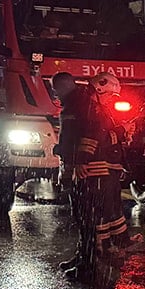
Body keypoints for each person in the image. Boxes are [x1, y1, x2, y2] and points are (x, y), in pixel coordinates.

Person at [65, 72, 133, 282]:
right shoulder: (92, 110)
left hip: (101, 170)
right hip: (96, 171)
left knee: (93, 217)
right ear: (101, 89)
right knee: (92, 217)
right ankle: (88, 263)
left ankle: (89, 261)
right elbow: (95, 137)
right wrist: (121, 132)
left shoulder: (93, 108)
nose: (111, 100)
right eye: (110, 95)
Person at [52, 72, 90, 270]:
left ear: (63, 86)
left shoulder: (75, 105)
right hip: (75, 163)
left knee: (83, 214)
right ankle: (84, 256)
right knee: (82, 214)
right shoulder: (80, 102)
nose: (55, 93)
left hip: (76, 166)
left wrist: (70, 158)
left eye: (55, 89)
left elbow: (74, 135)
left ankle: (86, 259)